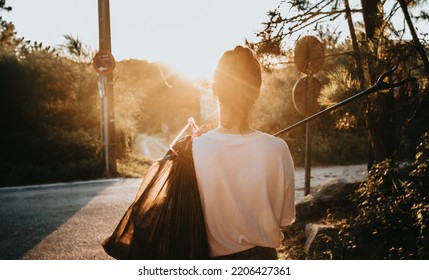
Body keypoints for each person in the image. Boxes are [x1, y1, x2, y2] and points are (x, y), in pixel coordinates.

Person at [192, 46, 295, 260]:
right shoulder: (277, 149)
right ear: (255, 92)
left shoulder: (195, 149)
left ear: (214, 90)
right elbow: (285, 219)